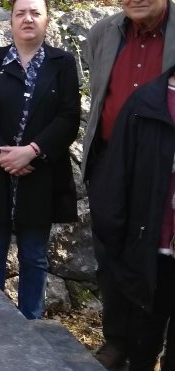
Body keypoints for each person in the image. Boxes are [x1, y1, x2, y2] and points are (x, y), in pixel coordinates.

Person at [0, 0, 81, 320]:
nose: (28, 18)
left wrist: (32, 152)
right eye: (20, 13)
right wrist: (1, 153)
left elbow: (68, 116)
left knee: (34, 256)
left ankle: (31, 325)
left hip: (40, 174)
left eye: (35, 13)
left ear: (46, 20)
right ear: (11, 21)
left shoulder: (62, 63)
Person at [81, 0, 175, 369]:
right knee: (111, 253)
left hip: (162, 163)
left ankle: (158, 347)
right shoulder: (104, 32)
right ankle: (118, 340)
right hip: (109, 161)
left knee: (159, 257)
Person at [89, 67, 175, 371]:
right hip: (151, 250)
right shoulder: (146, 102)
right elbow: (117, 175)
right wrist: (118, 243)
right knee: (142, 343)